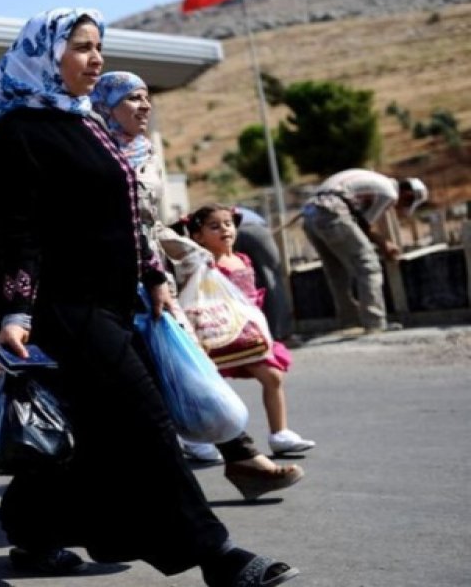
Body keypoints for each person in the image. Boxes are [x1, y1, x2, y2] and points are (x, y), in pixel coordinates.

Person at [0, 7, 299, 586]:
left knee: (89, 431)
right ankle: (217, 558)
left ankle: (32, 530)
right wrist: (15, 312)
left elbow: (123, 215)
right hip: (63, 310)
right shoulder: (14, 132)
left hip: (116, 305)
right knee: (142, 423)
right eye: (81, 48)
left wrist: (152, 275)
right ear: (45, 55)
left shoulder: (83, 120)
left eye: (99, 46)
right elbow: (18, 232)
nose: (96, 59)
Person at [92, 73, 304, 498]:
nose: (145, 106)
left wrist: (185, 251)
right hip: (107, 288)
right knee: (135, 390)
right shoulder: (92, 154)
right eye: (133, 99)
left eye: (147, 97)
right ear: (106, 105)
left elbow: (147, 225)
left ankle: (242, 460)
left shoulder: (144, 152)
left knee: (190, 368)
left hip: (151, 284)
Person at [177, 205, 317, 459]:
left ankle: (280, 434)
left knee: (273, 376)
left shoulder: (242, 259)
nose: (225, 230)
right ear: (198, 237)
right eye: (214, 226)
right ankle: (196, 439)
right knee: (206, 388)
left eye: (228, 224)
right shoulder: (200, 263)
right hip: (214, 335)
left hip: (247, 334)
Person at [301, 169, 428, 333]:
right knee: (369, 266)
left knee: (336, 271)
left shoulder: (373, 180)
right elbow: (364, 225)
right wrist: (384, 244)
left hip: (310, 215)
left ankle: (349, 322)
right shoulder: (389, 193)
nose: (398, 207)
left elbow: (356, 222)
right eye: (406, 204)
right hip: (332, 212)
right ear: (407, 194)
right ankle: (375, 323)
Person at [232, 207, 298, 345]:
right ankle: (282, 334)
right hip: (254, 231)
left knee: (240, 281)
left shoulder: (216, 214)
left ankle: (255, 334)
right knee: (272, 278)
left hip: (230, 232)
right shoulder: (251, 217)